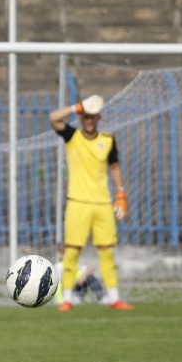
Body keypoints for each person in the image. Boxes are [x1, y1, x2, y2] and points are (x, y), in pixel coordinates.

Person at [49, 94, 132, 311]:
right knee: (72, 251)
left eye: (92, 117)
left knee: (106, 251)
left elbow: (114, 166)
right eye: (85, 116)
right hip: (77, 202)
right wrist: (78, 107)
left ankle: (114, 299)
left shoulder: (108, 139)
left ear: (98, 118)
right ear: (81, 117)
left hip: (103, 203)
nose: (88, 120)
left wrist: (121, 194)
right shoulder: (72, 136)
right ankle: (66, 299)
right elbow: (54, 118)